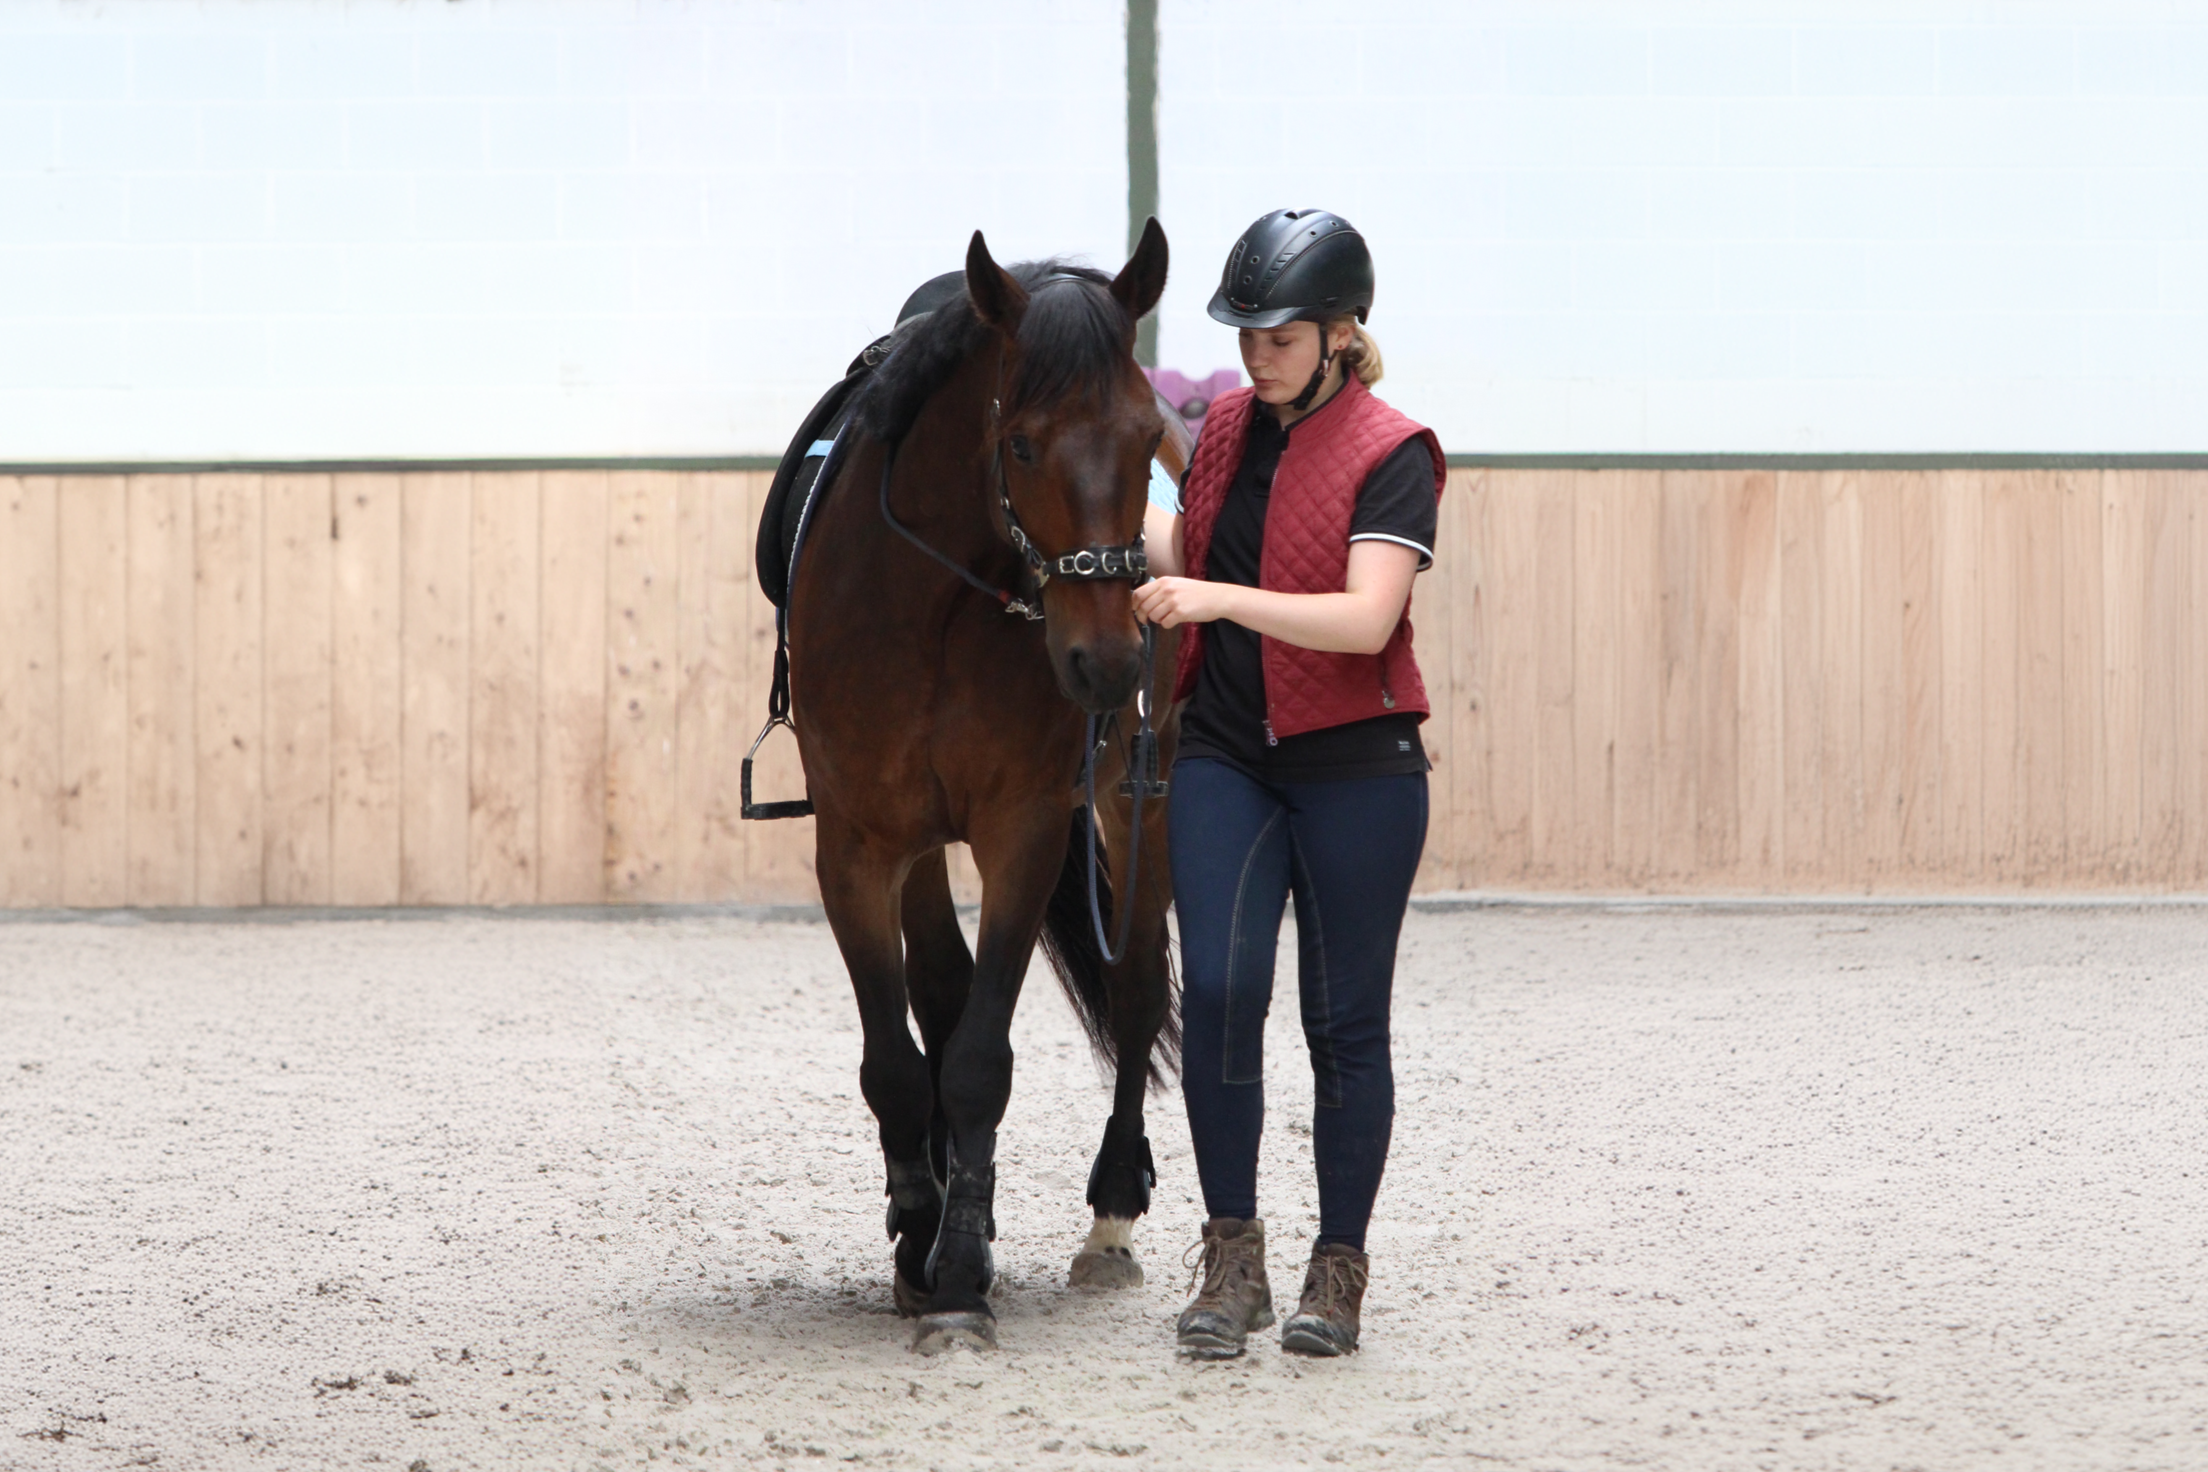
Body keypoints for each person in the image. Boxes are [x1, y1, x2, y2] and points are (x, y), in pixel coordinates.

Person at [1133, 209, 1443, 1358]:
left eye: (1279, 335)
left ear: (1339, 332)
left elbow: (1366, 619)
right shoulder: (1221, 431)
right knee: (1215, 990)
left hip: (1357, 766)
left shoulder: (1395, 450)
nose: (1257, 352)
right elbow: (1192, 551)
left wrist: (1214, 598)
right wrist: (1109, 510)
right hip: (1226, 751)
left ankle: (1338, 1270)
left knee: (1342, 1023)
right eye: (1245, 333)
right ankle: (1232, 1258)